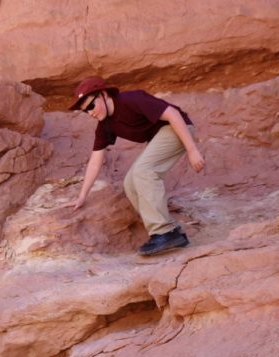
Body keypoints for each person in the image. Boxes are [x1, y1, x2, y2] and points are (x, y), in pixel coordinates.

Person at [69, 76, 205, 256]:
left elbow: (172, 114)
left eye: (91, 106)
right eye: (85, 111)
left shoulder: (131, 100)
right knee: (130, 183)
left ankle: (163, 231)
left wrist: (192, 150)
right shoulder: (105, 125)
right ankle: (171, 231)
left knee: (144, 171)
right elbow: (96, 160)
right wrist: (82, 196)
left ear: (103, 95)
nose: (90, 113)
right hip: (159, 137)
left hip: (177, 128)